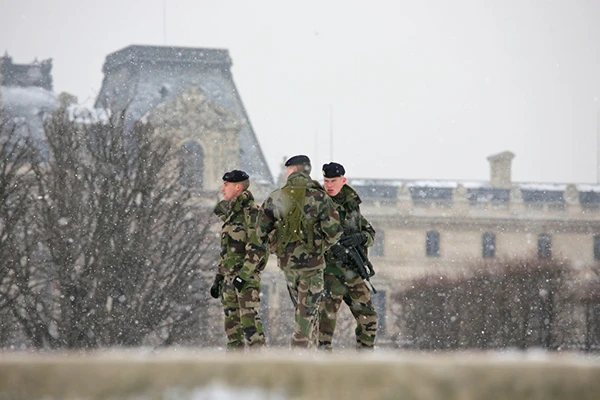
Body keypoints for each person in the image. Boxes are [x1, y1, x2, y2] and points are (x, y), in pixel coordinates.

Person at [247, 155, 342, 348]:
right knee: (305, 319)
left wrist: (277, 246)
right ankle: (299, 358)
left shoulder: (277, 196)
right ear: (307, 171)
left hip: (289, 267)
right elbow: (334, 232)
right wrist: (319, 247)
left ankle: (309, 357)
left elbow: (260, 232)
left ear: (291, 170)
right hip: (312, 268)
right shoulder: (319, 197)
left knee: (304, 316)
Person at [318, 162, 378, 350]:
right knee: (324, 326)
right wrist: (331, 247)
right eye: (326, 180)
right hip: (329, 273)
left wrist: (361, 237)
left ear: (343, 180)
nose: (329, 185)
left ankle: (364, 360)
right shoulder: (318, 204)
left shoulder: (351, 205)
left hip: (352, 272)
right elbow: (310, 236)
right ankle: (321, 364)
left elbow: (370, 232)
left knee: (369, 320)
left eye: (333, 181)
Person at [210, 169, 266, 350]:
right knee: (232, 332)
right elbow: (226, 253)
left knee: (251, 329)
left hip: (246, 281)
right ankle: (234, 372)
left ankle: (262, 370)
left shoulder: (252, 213)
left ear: (238, 187)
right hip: (229, 280)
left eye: (226, 185)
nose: (222, 189)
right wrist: (219, 278)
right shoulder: (230, 215)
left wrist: (243, 275)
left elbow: (257, 248)